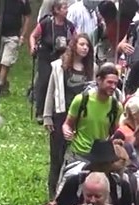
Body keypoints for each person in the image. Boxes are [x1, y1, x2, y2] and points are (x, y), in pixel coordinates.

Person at [43, 33, 96, 196]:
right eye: (82, 44)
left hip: (82, 118)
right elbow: (51, 90)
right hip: (61, 114)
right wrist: (47, 116)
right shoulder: (59, 66)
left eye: (87, 45)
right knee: (57, 156)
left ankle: (72, 191)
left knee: (77, 156)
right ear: (74, 46)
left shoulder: (92, 68)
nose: (85, 48)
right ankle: (53, 194)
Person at [62, 62, 123, 163]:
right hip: (78, 154)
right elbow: (67, 124)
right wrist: (66, 131)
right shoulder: (81, 100)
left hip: (100, 157)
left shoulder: (116, 107)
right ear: (99, 80)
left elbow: (115, 131)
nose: (113, 86)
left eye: (115, 83)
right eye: (109, 82)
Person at [29, 0, 76, 120]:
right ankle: (40, 111)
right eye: (64, 8)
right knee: (44, 81)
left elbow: (76, 38)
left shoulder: (69, 26)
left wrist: (70, 48)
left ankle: (55, 110)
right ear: (56, 10)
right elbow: (33, 36)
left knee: (59, 83)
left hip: (61, 58)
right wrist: (32, 47)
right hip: (45, 56)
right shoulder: (46, 23)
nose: (67, 10)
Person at [0, 0, 33, 96]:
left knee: (6, 61)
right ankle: (3, 82)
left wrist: (22, 35)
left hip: (13, 35)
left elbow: (27, 17)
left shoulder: (23, 1)